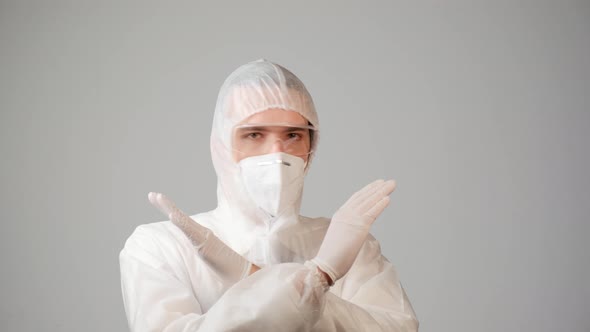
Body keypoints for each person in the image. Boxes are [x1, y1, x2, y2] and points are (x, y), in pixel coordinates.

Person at [119, 59, 419, 331]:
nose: (276, 154)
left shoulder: (350, 243)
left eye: (292, 135)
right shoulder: (162, 247)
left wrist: (254, 277)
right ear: (221, 145)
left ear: (311, 147)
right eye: (254, 135)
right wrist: (317, 277)